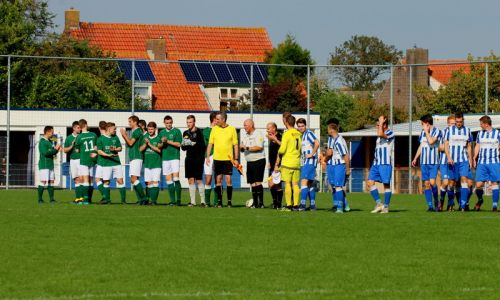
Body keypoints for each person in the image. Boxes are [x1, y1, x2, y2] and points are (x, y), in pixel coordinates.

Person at [205, 111, 239, 208]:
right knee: (218, 180)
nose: (216, 121)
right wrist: (207, 156)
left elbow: (235, 145)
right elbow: (210, 144)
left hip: (228, 159)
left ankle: (229, 202)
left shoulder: (232, 129)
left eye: (218, 119)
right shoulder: (214, 129)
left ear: (223, 119)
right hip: (217, 159)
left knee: (228, 180)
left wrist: (236, 158)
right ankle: (219, 202)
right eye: (215, 119)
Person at [444, 112, 473, 212]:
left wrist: (471, 159)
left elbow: (469, 146)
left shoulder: (467, 131)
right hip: (452, 161)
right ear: (455, 120)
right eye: (457, 122)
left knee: (464, 180)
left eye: (460, 122)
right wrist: (448, 157)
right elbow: (446, 145)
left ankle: (463, 205)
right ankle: (450, 202)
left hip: (463, 160)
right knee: (451, 183)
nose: (459, 123)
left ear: (463, 120)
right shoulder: (449, 130)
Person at [411, 114, 441, 211]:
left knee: (432, 182)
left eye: (422, 124)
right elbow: (421, 146)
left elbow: (431, 141)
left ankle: (436, 201)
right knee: (426, 184)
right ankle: (430, 206)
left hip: (433, 162)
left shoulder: (437, 131)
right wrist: (415, 158)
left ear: (427, 124)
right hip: (424, 162)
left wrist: (427, 132)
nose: (421, 126)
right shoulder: (422, 132)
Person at [367, 115, 395, 214]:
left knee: (386, 185)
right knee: (370, 182)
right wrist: (380, 124)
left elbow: (380, 134)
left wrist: (381, 123)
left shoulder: (390, 133)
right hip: (376, 163)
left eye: (379, 123)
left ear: (384, 124)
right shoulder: (379, 136)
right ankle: (379, 204)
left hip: (385, 163)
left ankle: (386, 207)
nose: (377, 125)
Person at [472, 115, 500, 211]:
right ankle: (480, 200)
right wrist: (474, 157)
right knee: (479, 185)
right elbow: (477, 146)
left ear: (486, 124)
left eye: (481, 124)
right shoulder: (480, 134)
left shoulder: (497, 133)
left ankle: (495, 205)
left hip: (493, 162)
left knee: (494, 183)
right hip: (482, 163)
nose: (480, 126)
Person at [276, 114, 301, 211]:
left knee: (287, 184)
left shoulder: (286, 134)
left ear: (286, 122)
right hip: (296, 162)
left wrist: (279, 154)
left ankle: (289, 205)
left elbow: (282, 149)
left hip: (287, 162)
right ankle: (296, 205)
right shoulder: (298, 134)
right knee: (295, 184)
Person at [96, 122, 125, 204]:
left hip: (116, 163)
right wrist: (108, 155)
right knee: (106, 182)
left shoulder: (115, 137)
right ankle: (107, 200)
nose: (115, 130)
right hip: (106, 164)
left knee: (120, 181)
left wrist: (115, 149)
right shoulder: (101, 139)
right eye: (114, 129)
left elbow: (120, 148)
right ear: (108, 128)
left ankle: (123, 201)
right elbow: (99, 151)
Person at [120, 115, 147, 205]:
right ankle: (141, 200)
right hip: (134, 157)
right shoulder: (135, 131)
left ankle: (144, 198)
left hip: (136, 157)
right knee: (133, 179)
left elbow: (130, 143)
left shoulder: (137, 131)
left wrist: (124, 135)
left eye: (130, 122)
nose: (129, 123)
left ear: (135, 122)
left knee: (134, 179)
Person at [181, 115, 206, 207]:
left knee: (199, 179)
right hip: (189, 159)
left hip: (198, 159)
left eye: (190, 122)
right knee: (190, 180)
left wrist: (192, 143)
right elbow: (183, 147)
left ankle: (203, 201)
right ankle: (192, 202)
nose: (189, 124)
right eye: (187, 122)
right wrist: (190, 143)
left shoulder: (199, 132)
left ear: (194, 122)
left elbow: (202, 146)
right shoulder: (185, 133)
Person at [241, 119, 266, 208]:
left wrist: (246, 148)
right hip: (249, 161)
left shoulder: (258, 133)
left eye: (246, 125)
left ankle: (261, 203)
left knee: (257, 182)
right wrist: (241, 148)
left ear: (251, 125)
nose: (244, 127)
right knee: (252, 183)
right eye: (244, 125)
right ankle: (255, 203)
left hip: (258, 160)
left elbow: (259, 147)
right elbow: (243, 146)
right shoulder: (245, 136)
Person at [325, 123, 350, 213]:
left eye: (328, 129)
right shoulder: (335, 139)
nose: (327, 131)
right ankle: (343, 205)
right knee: (336, 186)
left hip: (340, 165)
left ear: (331, 130)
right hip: (336, 165)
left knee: (338, 187)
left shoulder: (339, 141)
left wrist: (347, 169)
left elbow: (346, 155)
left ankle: (340, 207)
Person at [296, 118, 320, 211]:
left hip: (310, 162)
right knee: (309, 184)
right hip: (308, 162)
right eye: (299, 126)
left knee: (303, 182)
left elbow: (317, 143)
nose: (301, 128)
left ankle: (302, 205)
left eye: (302, 126)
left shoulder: (309, 133)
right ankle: (313, 205)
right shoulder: (303, 135)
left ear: (305, 126)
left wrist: (312, 153)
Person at [159, 115, 183, 206]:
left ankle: (179, 200)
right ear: (164, 123)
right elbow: (159, 146)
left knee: (176, 178)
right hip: (165, 158)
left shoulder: (176, 131)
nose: (168, 124)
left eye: (170, 123)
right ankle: (172, 201)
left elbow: (179, 144)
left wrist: (167, 141)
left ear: (172, 122)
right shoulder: (161, 132)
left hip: (174, 158)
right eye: (167, 123)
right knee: (169, 180)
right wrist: (162, 143)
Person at [74, 119, 97, 205]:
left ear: (80, 126)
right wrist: (94, 152)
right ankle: (89, 199)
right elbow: (96, 147)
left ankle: (85, 199)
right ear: (86, 125)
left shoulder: (79, 137)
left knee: (85, 180)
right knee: (91, 180)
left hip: (84, 160)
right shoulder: (93, 134)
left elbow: (77, 150)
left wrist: (80, 150)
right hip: (92, 159)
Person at [140, 122, 163, 205]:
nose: (150, 131)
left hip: (156, 163)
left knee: (155, 182)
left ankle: (154, 201)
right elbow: (140, 149)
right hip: (147, 164)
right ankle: (148, 200)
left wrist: (149, 144)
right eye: (149, 129)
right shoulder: (145, 138)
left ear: (155, 129)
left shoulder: (158, 138)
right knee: (148, 183)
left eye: (152, 129)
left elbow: (159, 150)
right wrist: (145, 144)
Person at [37, 126, 61, 203]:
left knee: (51, 181)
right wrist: (55, 149)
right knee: (43, 182)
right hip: (44, 165)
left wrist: (56, 149)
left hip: (50, 164)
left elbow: (53, 152)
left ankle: (52, 199)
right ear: (47, 132)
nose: (53, 134)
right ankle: (40, 199)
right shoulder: (42, 142)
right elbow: (45, 153)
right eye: (52, 132)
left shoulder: (50, 141)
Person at [438, 115, 455, 211]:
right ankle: (441, 201)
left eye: (454, 124)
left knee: (451, 184)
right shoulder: (443, 133)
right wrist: (447, 148)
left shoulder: (457, 133)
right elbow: (439, 147)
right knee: (445, 182)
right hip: (444, 161)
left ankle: (450, 204)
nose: (453, 125)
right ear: (448, 124)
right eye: (451, 124)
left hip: (453, 162)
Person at [266, 122, 283, 209]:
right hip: (272, 164)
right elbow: (272, 151)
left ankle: (279, 204)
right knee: (270, 184)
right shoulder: (271, 138)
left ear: (274, 128)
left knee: (277, 184)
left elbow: (282, 147)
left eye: (268, 128)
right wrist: (269, 162)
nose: (267, 130)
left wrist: (275, 139)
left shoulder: (279, 136)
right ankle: (275, 202)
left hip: (278, 164)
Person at [63, 121, 81, 203]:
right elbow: (65, 150)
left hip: (81, 160)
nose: (80, 129)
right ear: (73, 128)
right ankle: (78, 199)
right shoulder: (69, 138)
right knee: (76, 179)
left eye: (80, 127)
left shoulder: (81, 137)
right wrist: (72, 146)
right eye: (78, 127)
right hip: (73, 160)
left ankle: (83, 198)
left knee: (82, 179)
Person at [203, 112, 218, 207]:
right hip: (208, 156)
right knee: (208, 179)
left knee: (218, 179)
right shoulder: (205, 131)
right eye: (217, 119)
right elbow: (207, 144)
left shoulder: (221, 130)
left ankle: (217, 202)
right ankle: (207, 202)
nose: (219, 120)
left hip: (219, 156)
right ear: (213, 119)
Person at [94, 120, 107, 203]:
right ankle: (105, 197)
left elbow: (99, 150)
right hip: (108, 162)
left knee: (98, 180)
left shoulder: (100, 138)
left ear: (99, 128)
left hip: (101, 162)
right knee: (105, 181)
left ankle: (105, 196)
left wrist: (96, 151)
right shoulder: (110, 137)